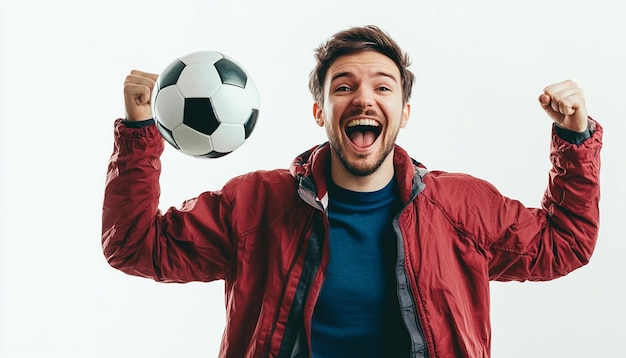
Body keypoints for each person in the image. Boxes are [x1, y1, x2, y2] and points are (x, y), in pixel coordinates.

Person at [102, 25, 602, 358]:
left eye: (383, 87)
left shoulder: (460, 208)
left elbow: (564, 244)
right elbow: (134, 245)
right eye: (343, 87)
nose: (364, 96)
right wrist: (139, 128)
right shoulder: (257, 205)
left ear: (404, 111)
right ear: (321, 112)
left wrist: (575, 139)